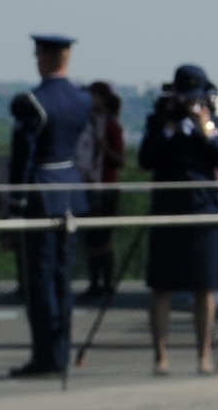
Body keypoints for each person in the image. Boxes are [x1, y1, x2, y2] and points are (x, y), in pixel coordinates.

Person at [138, 65, 218, 377]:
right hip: (168, 209)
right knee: (162, 285)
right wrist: (167, 127)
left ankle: (204, 354)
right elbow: (146, 159)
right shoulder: (159, 121)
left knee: (205, 286)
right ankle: (160, 355)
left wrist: (205, 127)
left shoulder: (212, 122)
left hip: (203, 209)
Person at [7, 32, 92, 378]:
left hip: (41, 193)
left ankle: (46, 357)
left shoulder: (33, 101)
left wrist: (16, 203)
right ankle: (61, 351)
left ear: (43, 58)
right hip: (71, 190)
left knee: (39, 280)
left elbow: (23, 158)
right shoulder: (82, 99)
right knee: (62, 277)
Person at [76, 81, 126, 299]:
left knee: (103, 239)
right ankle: (95, 281)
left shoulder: (111, 126)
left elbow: (120, 159)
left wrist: (104, 147)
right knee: (91, 238)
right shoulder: (85, 122)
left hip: (106, 186)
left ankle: (106, 282)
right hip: (88, 184)